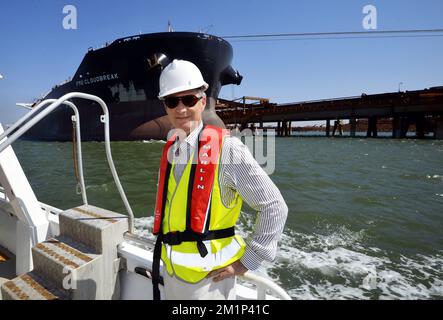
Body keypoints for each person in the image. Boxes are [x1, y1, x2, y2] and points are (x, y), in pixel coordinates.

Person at [151, 59, 288, 300]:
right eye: (172, 101)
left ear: (203, 101)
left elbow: (274, 207)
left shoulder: (228, 149)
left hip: (209, 283)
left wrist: (247, 262)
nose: (181, 109)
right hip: (171, 273)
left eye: (189, 99)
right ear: (165, 107)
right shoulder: (173, 148)